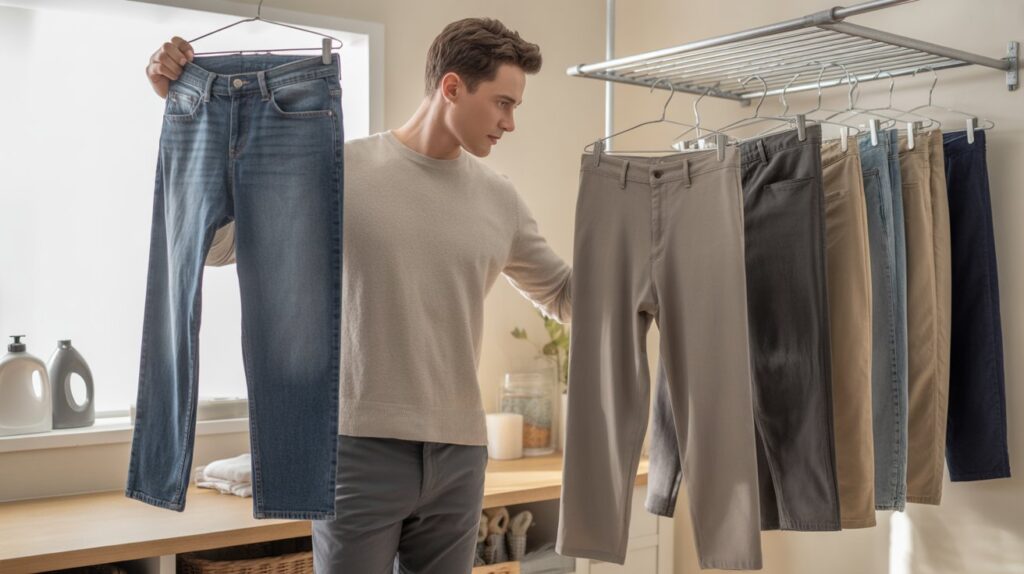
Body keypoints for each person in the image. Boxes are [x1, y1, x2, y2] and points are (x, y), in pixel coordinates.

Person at [146, 17, 572, 573]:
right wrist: (189, 116)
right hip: (356, 449)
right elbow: (216, 246)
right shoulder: (337, 169)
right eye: (502, 103)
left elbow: (564, 295)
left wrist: (655, 276)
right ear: (451, 87)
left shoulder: (501, 199)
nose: (510, 123)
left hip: (460, 453)